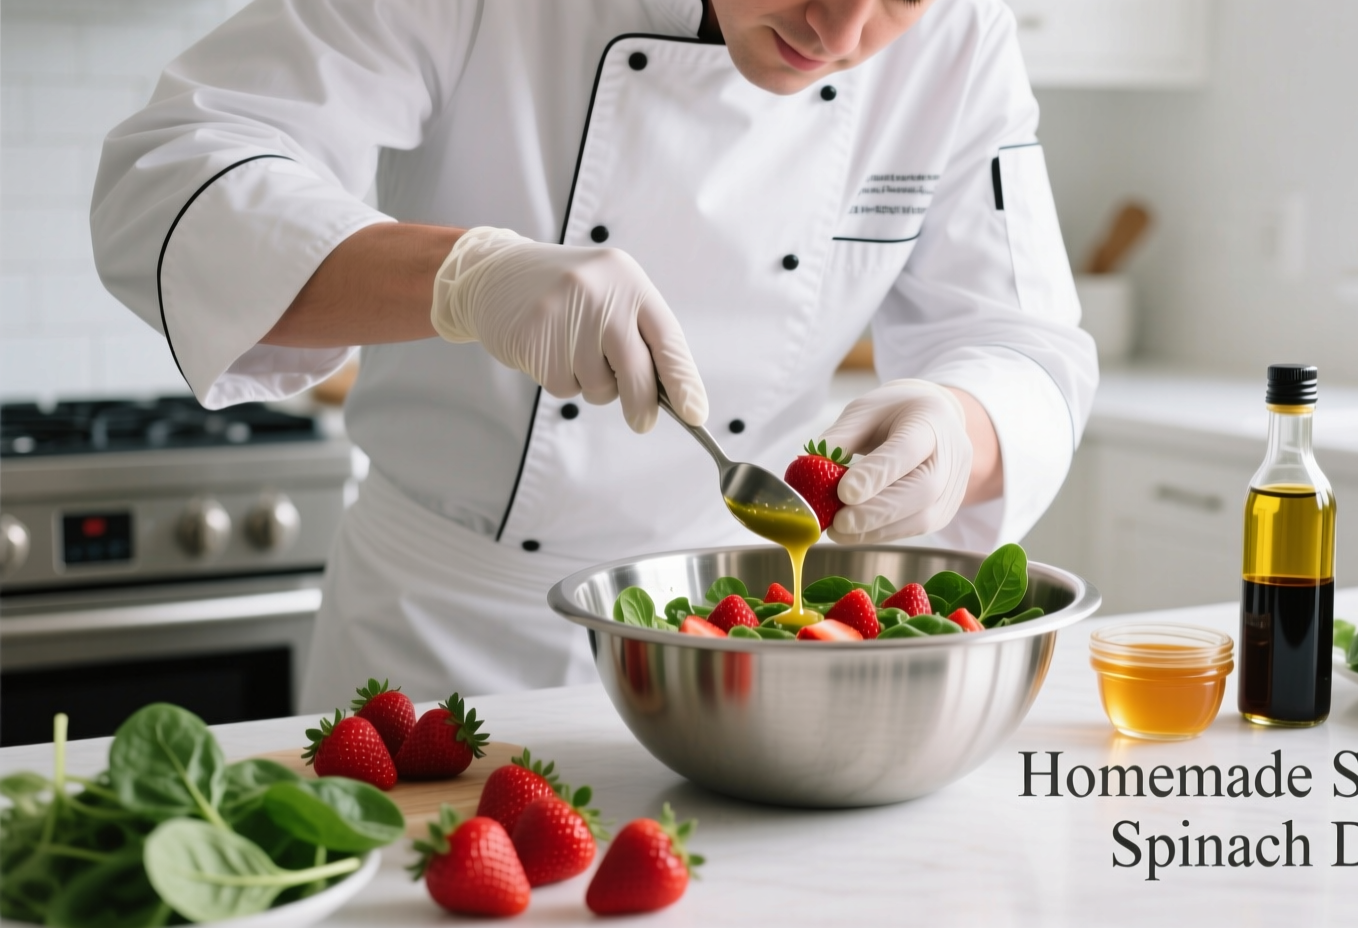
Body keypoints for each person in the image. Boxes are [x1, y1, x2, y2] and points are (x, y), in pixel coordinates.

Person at [91, 0, 1098, 710]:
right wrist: (466, 278)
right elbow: (170, 175)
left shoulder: (962, 41)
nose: (837, 32)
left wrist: (959, 432)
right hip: (441, 641)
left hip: (735, 655)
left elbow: (1022, 342)